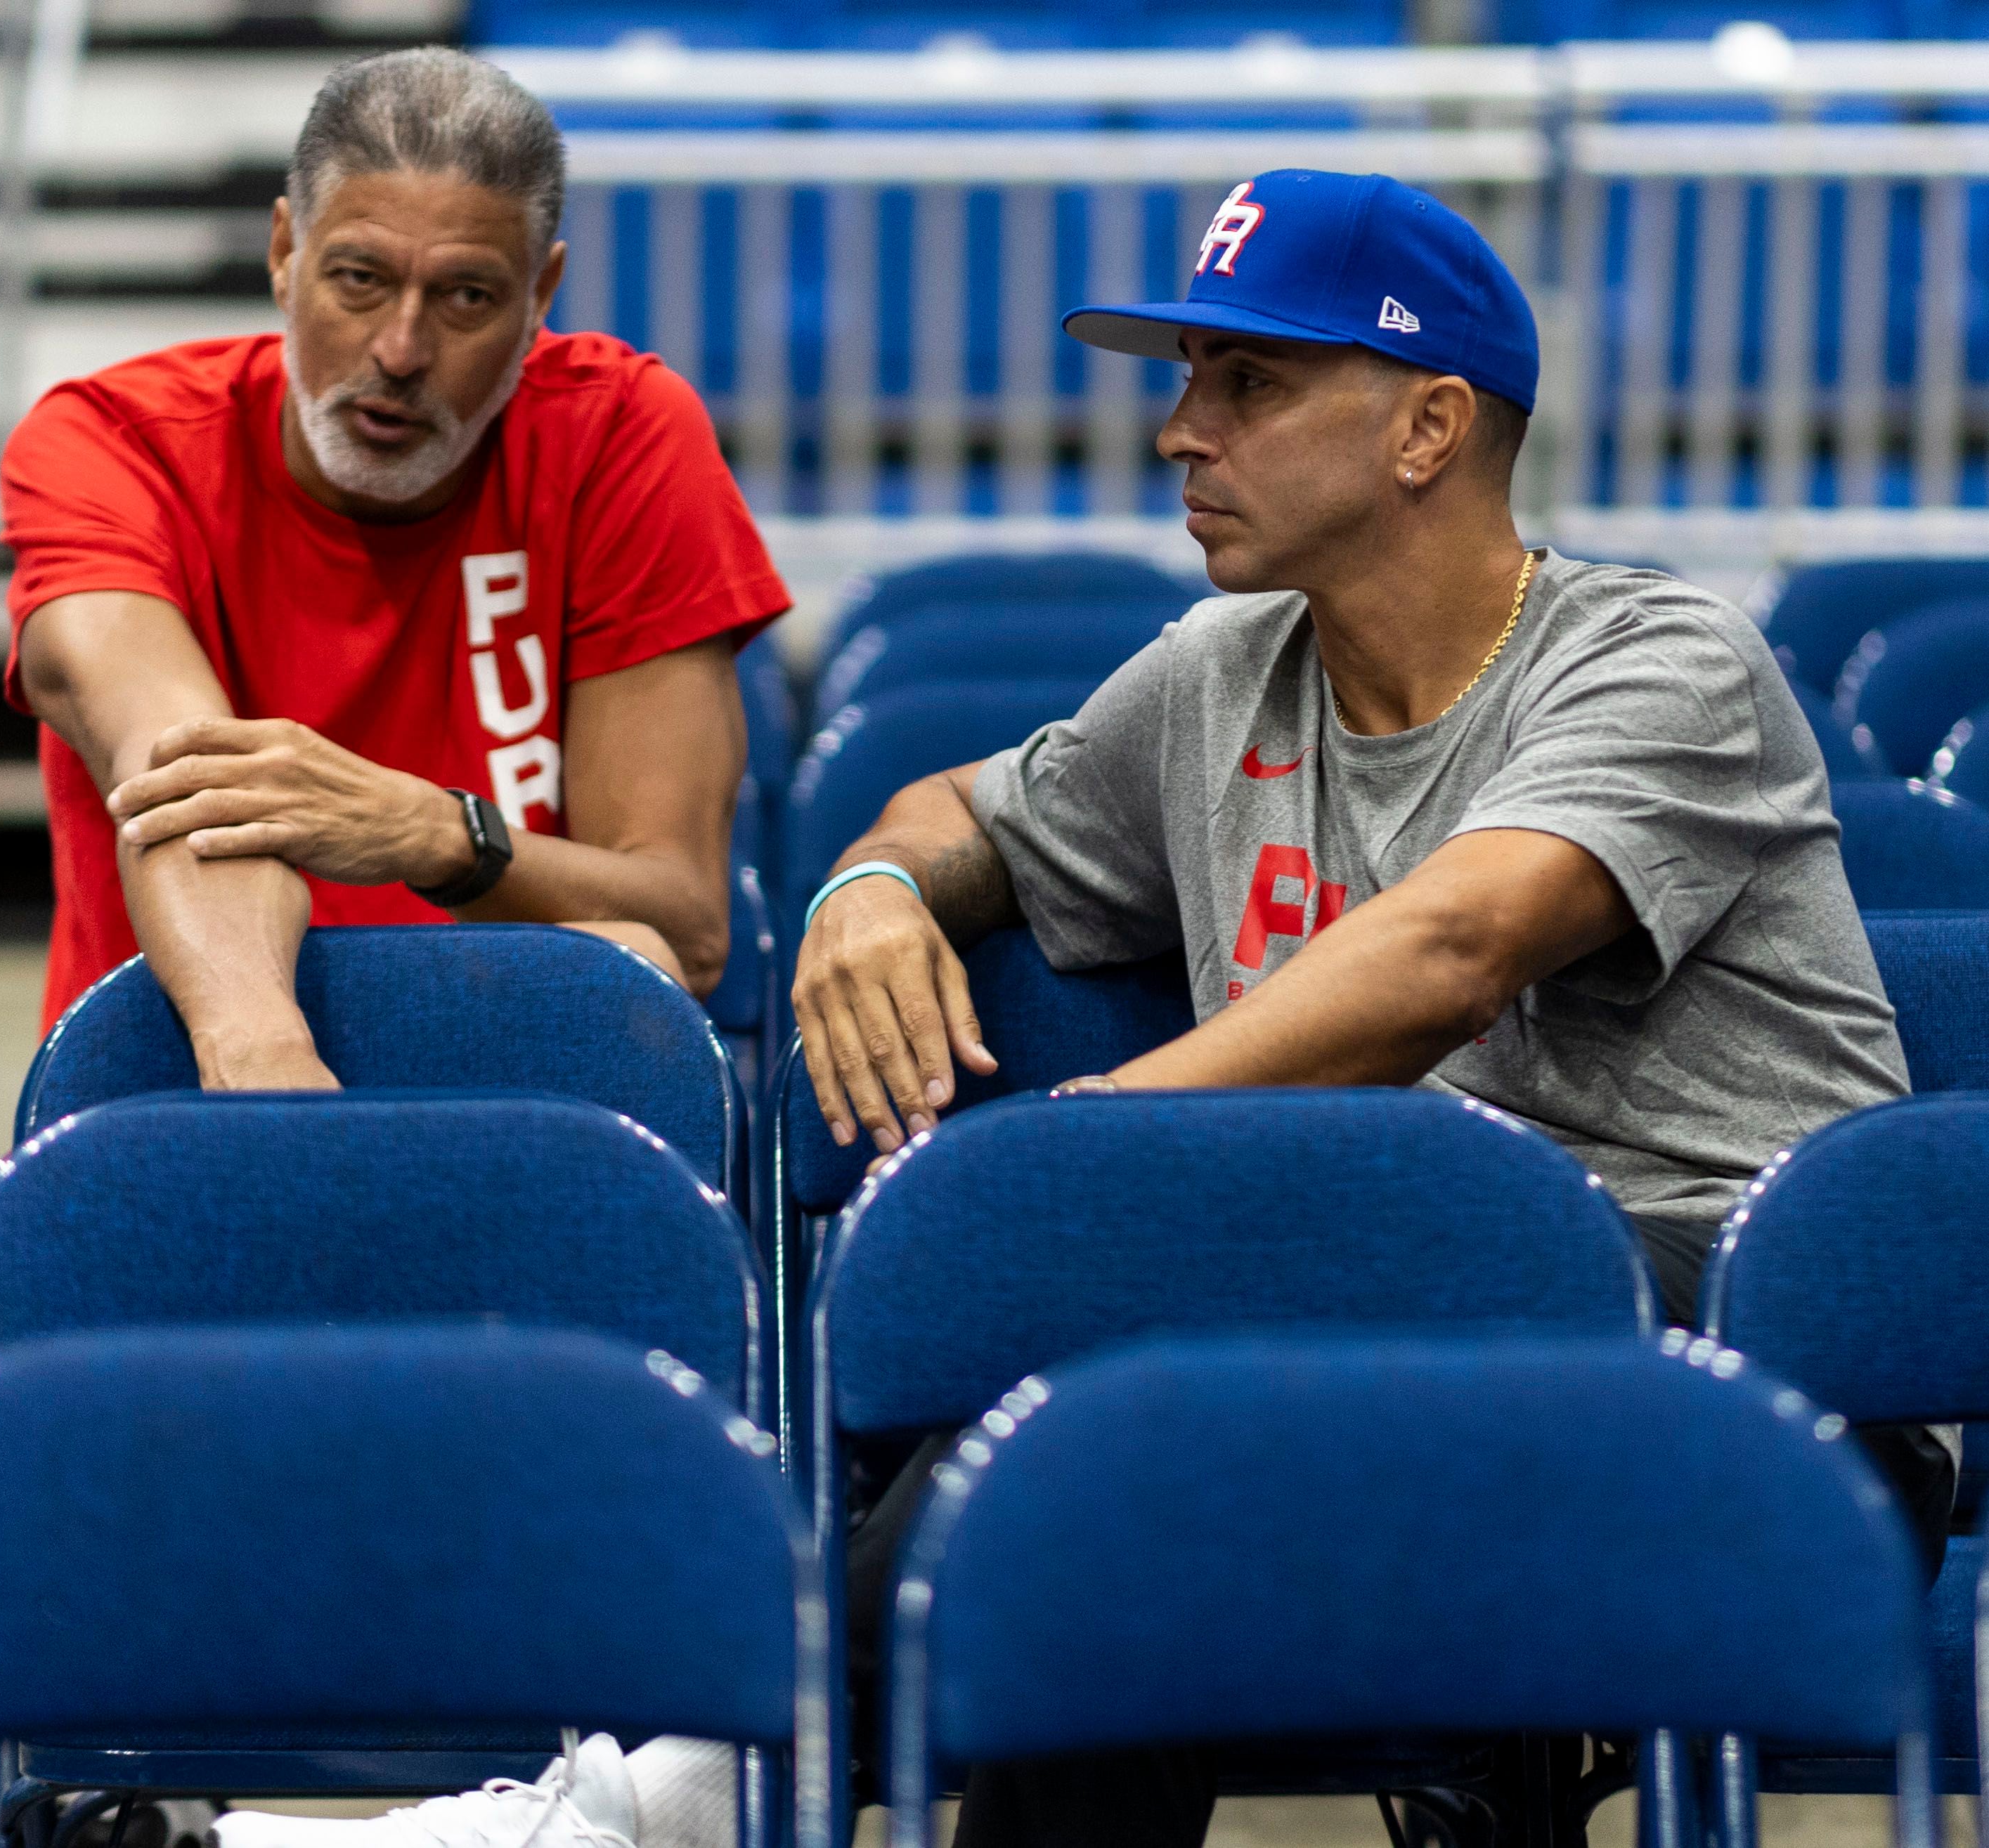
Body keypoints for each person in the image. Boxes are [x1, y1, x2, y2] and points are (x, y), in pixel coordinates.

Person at [242, 171, 1945, 1848]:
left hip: (1742, 1387)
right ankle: (660, 1793)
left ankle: (650, 1795)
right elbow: (956, 813)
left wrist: (1092, 1177)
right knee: (1129, 1500)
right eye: (1188, 382)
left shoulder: (1655, 659)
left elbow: (1453, 948)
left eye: (1248, 384)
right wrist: (868, 893)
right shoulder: (1222, 672)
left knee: (1178, 1363)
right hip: (1333, 1375)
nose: (1178, 431)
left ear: (1428, 429)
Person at [0, 46, 785, 1666]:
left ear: (543, 293)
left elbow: (682, 922)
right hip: (182, 1171)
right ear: (281, 248)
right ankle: (101, 1744)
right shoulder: (110, 442)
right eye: (355, 279)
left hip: (535, 1202)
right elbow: (179, 771)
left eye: (467, 298)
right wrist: (277, 1139)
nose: (400, 351)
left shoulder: (623, 437)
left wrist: (435, 835)